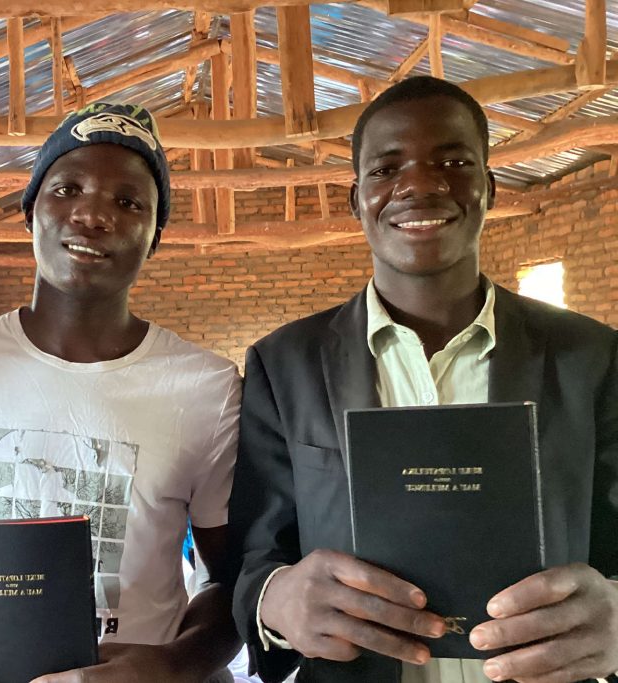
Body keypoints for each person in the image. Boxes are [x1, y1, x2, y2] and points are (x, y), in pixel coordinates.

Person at [229, 76, 618, 683]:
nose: (419, 184)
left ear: (488, 189)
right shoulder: (285, 365)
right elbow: (254, 555)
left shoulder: (592, 357)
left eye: (454, 161)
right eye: (386, 170)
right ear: (356, 199)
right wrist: (276, 599)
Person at [0, 102, 243, 682]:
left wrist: (173, 665)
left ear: (155, 236)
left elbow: (229, 577)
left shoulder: (205, 385)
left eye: (129, 203)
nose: (92, 215)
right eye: (67, 189)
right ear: (31, 211)